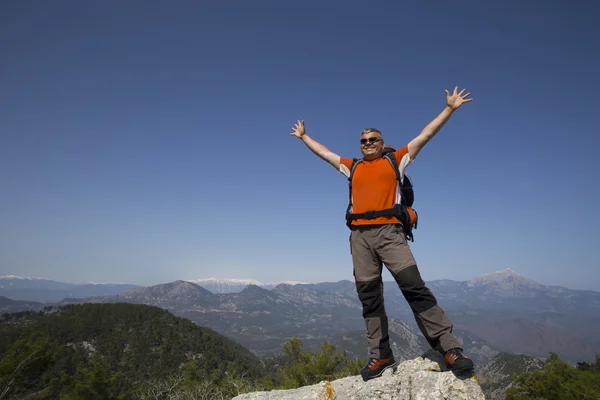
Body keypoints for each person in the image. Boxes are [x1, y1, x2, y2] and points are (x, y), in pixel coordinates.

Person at [290, 87, 475, 381]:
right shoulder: (353, 167)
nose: (367, 144)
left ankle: (449, 348)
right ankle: (381, 356)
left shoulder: (396, 160)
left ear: (382, 142)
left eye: (372, 140)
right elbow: (325, 154)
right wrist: (303, 138)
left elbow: (425, 136)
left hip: (390, 234)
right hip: (359, 238)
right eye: (363, 141)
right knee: (370, 298)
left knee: (414, 287)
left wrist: (450, 109)